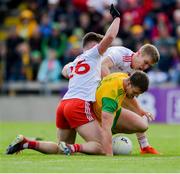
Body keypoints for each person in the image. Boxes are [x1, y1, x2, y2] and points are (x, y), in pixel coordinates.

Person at [6, 4, 121, 156]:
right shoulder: (93, 55)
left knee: (62, 148)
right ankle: (74, 148)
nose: (103, 50)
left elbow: (65, 71)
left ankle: (27, 142)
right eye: (100, 47)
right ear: (93, 46)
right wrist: (117, 18)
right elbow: (110, 37)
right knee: (102, 146)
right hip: (79, 103)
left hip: (64, 104)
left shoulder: (74, 62)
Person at [101, 44, 160, 154]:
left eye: (149, 65)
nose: (145, 67)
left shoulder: (136, 72)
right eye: (146, 62)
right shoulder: (120, 54)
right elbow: (102, 65)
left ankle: (145, 146)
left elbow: (129, 96)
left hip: (109, 94)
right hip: (94, 88)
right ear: (139, 53)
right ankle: (103, 134)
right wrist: (111, 85)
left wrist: (140, 110)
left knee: (141, 120)